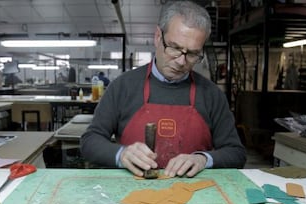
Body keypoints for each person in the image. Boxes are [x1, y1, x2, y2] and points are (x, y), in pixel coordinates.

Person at [80, 0, 246, 178]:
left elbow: (236, 153)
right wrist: (122, 154)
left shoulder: (211, 95)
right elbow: (89, 142)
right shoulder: (123, 87)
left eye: (192, 54)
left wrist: (203, 159)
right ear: (158, 37)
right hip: (132, 192)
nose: (181, 62)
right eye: (174, 48)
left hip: (194, 196)